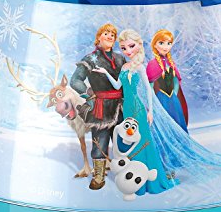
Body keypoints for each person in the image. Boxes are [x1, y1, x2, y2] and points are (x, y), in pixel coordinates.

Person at [94, 29, 176, 195]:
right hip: (127, 108)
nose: (128, 51)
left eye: (131, 46)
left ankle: (148, 180)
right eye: (124, 48)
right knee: (131, 140)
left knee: (142, 141)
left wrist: (150, 111)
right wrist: (106, 73)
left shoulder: (140, 67)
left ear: (139, 45)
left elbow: (148, 89)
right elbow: (118, 86)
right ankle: (133, 179)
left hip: (138, 109)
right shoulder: (125, 67)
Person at [70, 23, 125, 190]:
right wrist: (89, 94)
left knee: (123, 140)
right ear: (99, 37)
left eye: (112, 35)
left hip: (121, 106)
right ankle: (99, 175)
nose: (109, 37)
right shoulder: (89, 59)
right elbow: (75, 80)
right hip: (101, 106)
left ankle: (126, 172)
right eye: (106, 33)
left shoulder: (120, 59)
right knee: (100, 139)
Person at [147, 29, 189, 131]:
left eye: (169, 43)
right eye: (161, 43)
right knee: (166, 127)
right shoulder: (152, 64)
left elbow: (176, 82)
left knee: (178, 124)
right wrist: (154, 103)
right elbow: (150, 87)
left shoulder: (171, 63)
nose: (166, 47)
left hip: (173, 100)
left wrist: (174, 95)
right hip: (160, 100)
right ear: (155, 45)